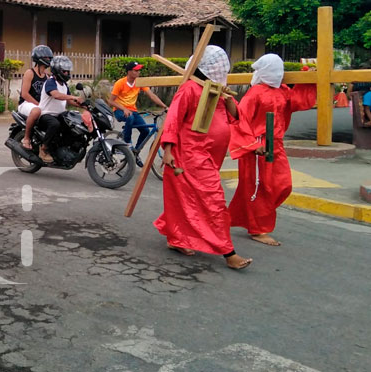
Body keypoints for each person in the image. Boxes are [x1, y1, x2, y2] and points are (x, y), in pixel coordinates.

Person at [153, 45, 252, 270]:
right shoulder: (189, 89)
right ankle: (229, 252)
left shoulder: (217, 89)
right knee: (213, 201)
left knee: (185, 198)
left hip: (209, 154)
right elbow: (173, 121)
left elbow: (236, 116)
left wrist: (227, 100)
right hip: (189, 154)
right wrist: (168, 150)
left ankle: (176, 236)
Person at [227, 54, 316, 247]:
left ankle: (249, 217)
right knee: (260, 187)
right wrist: (251, 144)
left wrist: (309, 79)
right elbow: (239, 120)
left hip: (276, 143)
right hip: (258, 146)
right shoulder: (255, 93)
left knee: (283, 184)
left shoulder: (283, 90)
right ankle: (258, 228)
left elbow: (298, 102)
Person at [108, 61, 167, 165]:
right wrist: (124, 109)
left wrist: (165, 106)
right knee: (130, 118)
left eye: (139, 70)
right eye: (136, 70)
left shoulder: (139, 82)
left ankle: (135, 153)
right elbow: (111, 101)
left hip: (133, 111)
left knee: (145, 131)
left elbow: (152, 95)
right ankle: (128, 143)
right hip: (119, 111)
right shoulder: (120, 83)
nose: (138, 72)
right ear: (129, 72)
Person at [36, 55, 83, 163]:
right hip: (45, 115)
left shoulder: (64, 84)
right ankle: (43, 149)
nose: (67, 73)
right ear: (57, 71)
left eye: (68, 71)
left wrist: (83, 105)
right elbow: (56, 95)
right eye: (64, 71)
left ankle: (63, 149)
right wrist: (73, 97)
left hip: (59, 115)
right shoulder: (50, 82)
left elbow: (69, 101)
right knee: (55, 124)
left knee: (72, 125)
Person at [18, 45, 53, 149]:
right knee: (36, 111)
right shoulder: (30, 73)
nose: (49, 60)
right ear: (39, 58)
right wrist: (39, 105)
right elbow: (24, 94)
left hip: (39, 105)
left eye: (49, 58)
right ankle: (26, 138)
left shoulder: (47, 77)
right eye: (47, 58)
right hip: (26, 104)